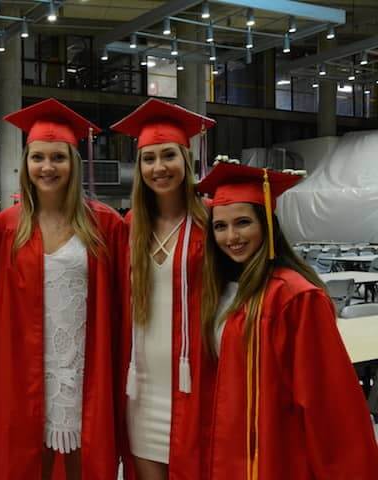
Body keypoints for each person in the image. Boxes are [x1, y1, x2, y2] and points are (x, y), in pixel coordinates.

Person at [197, 162, 378, 480]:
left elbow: (328, 401)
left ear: (267, 225)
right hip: (229, 447)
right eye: (220, 226)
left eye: (243, 223)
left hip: (275, 451)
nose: (231, 236)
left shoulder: (296, 297)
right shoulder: (219, 291)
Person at [0, 98, 123, 480]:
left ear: (73, 163)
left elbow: (118, 305)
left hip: (83, 369)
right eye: (38, 158)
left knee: (85, 459)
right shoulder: (4, 227)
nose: (47, 167)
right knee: (30, 461)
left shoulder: (105, 224)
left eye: (58, 158)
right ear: (26, 163)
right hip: (25, 371)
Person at [110, 98, 215, 480]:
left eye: (168, 155)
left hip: (196, 379)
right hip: (143, 384)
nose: (159, 168)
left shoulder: (211, 223)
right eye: (148, 158)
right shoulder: (131, 226)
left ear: (186, 160)